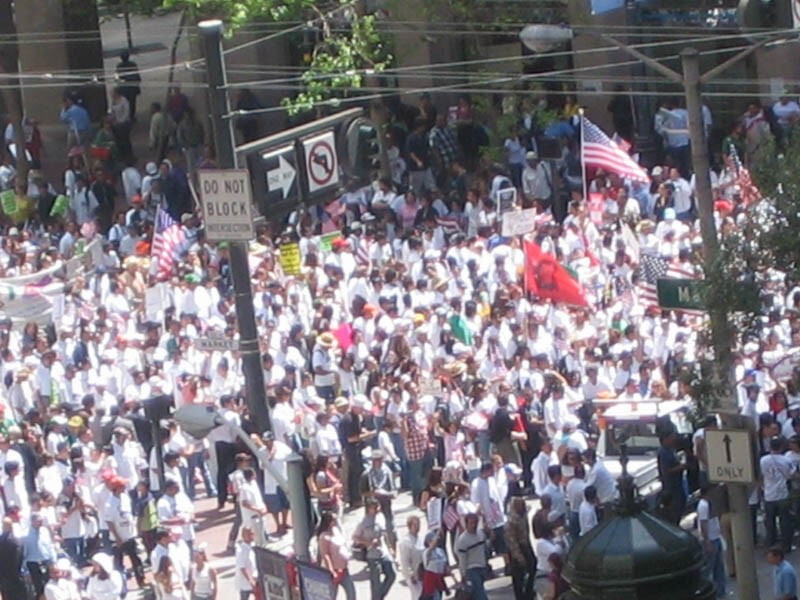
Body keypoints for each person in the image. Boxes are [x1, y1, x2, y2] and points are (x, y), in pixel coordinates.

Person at [352, 498, 396, 600]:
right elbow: (355, 537)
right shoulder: (363, 522)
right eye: (374, 507)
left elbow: (384, 534)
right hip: (372, 555)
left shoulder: (380, 517)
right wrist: (368, 543)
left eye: (377, 507)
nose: (377, 509)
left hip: (383, 552)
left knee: (391, 574)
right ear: (368, 509)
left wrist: (390, 548)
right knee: (375, 583)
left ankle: (379, 597)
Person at [761, 436, 796, 552]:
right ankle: (786, 545)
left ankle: (771, 544)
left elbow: (761, 475)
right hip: (782, 494)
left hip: (768, 494)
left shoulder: (763, 460)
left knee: (770, 522)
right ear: (781, 447)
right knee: (785, 521)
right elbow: (791, 475)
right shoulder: (786, 460)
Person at [317, 512, 355, 600]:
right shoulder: (324, 537)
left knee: (351, 593)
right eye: (334, 520)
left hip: (344, 569)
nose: (336, 521)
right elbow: (325, 555)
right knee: (331, 596)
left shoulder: (336, 531)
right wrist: (331, 571)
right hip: (334, 571)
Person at [697, 484, 725, 598]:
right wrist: (707, 541)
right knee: (709, 567)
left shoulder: (710, 504)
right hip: (710, 539)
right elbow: (703, 524)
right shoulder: (703, 506)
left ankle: (720, 590)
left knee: (719, 566)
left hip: (716, 537)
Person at [505, 496, 535, 600]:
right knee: (519, 577)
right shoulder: (511, 522)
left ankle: (529, 592)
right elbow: (512, 542)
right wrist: (519, 557)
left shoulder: (522, 516)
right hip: (518, 550)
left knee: (532, 568)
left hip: (526, 545)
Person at [455, 513, 488, 600]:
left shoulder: (480, 534)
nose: (474, 525)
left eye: (475, 522)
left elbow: (485, 549)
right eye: (471, 523)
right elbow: (462, 559)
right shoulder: (462, 540)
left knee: (475, 595)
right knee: (481, 595)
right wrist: (463, 574)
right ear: (466, 524)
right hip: (471, 570)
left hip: (482, 567)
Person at [397, 515, 424, 600]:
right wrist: (411, 575)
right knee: (417, 596)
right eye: (415, 525)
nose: (417, 527)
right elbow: (405, 561)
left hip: (422, 573)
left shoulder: (420, 539)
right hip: (413, 575)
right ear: (409, 526)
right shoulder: (405, 542)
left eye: (418, 524)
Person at [235, 527, 259, 600]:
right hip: (245, 583)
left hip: (256, 579)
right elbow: (242, 568)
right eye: (248, 534)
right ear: (243, 536)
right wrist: (251, 580)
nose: (251, 535)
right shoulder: (241, 550)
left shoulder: (254, 545)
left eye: (251, 533)